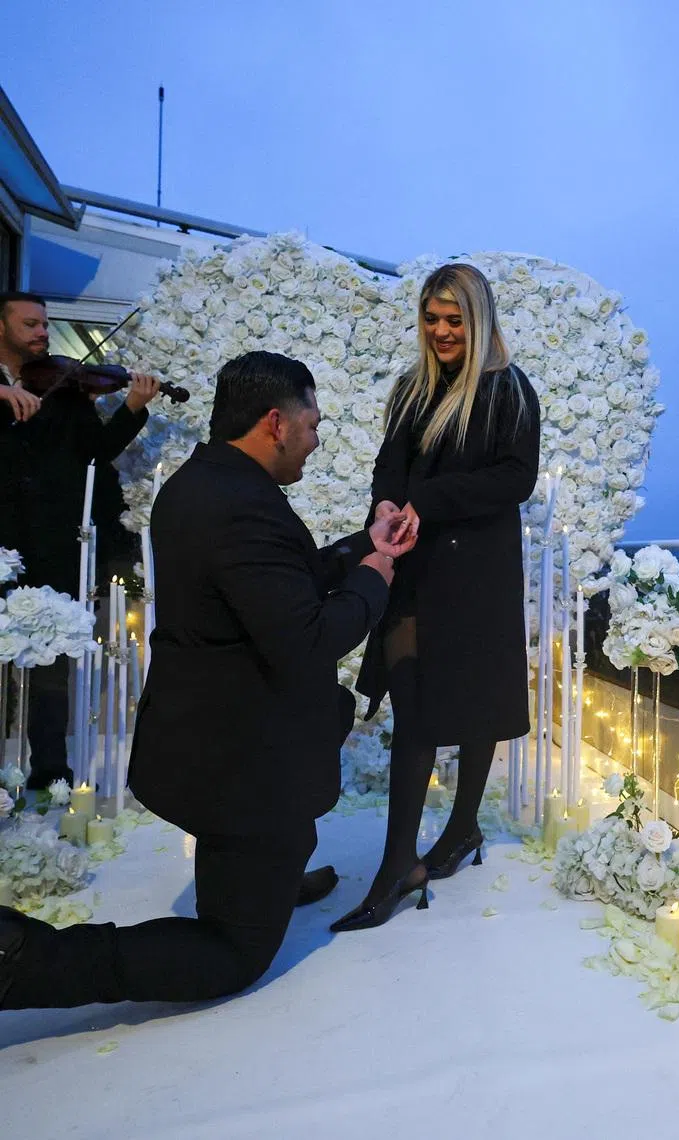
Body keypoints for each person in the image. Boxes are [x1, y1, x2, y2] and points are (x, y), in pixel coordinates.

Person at [0, 351, 414, 1010]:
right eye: (313, 423)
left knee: (304, 768)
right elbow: (306, 641)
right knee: (234, 956)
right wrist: (374, 581)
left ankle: (271, 879)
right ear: (276, 423)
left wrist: (363, 545)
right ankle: (26, 960)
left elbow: (273, 583)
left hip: (206, 735)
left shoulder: (206, 482)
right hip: (241, 763)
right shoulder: (243, 508)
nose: (317, 437)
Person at [331, 263, 540, 934]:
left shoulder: (509, 391)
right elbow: (389, 465)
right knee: (414, 699)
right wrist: (389, 502)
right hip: (415, 566)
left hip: (477, 570)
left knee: (475, 701)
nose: (442, 331)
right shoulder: (410, 389)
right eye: (432, 318)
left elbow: (514, 479)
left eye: (455, 319)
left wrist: (428, 501)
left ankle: (458, 831)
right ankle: (400, 862)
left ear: (478, 322)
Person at [0, 291, 160, 789]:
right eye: (30, 324)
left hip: (48, 541)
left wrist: (133, 406)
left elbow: (97, 450)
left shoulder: (63, 388)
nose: (43, 333)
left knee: (51, 659)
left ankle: (49, 771)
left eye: (45, 325)